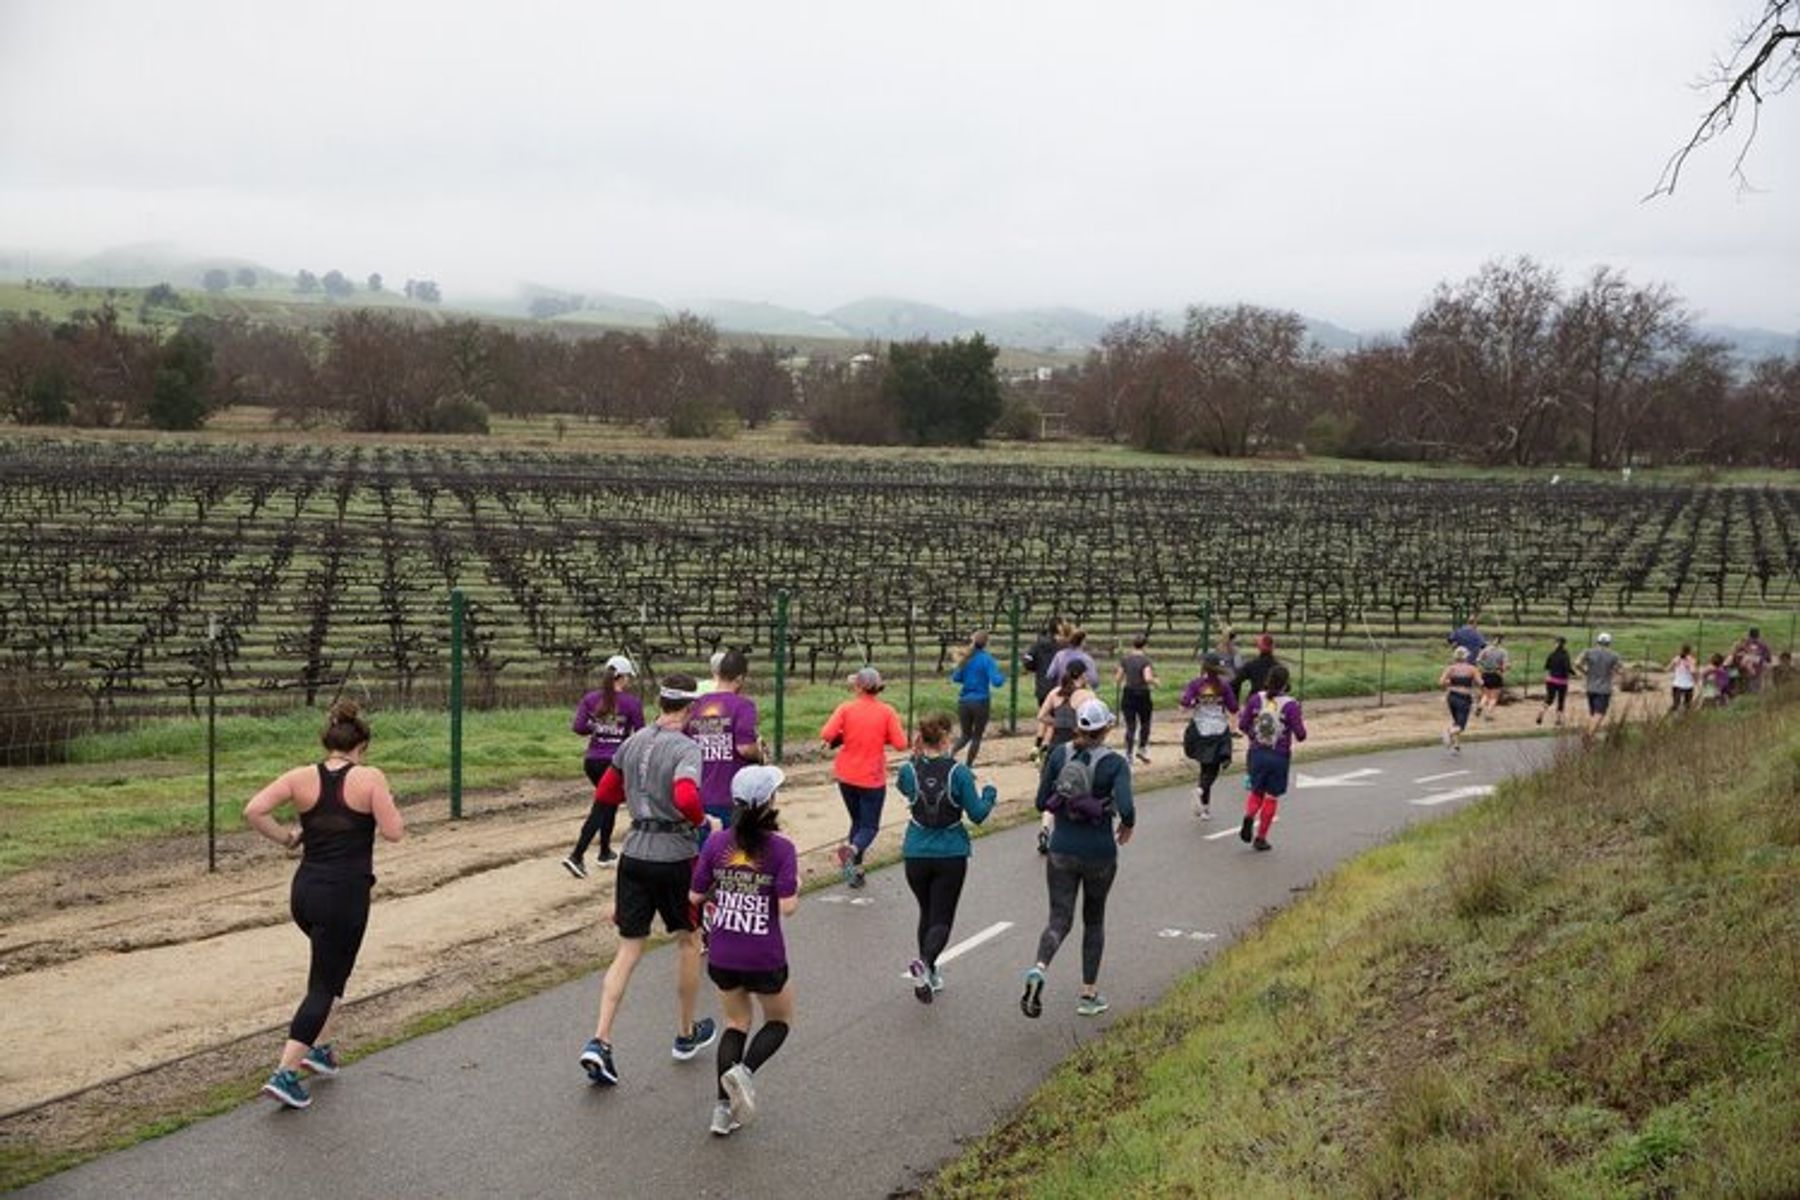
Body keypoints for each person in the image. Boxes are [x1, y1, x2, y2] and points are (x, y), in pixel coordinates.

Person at [244, 701, 405, 1109]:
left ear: (327, 741)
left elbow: (255, 809)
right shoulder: (370, 778)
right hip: (345, 894)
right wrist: (383, 798)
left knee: (334, 971)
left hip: (306, 890)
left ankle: (320, 1048)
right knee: (323, 985)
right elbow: (394, 832)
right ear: (362, 744)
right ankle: (285, 1072)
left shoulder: (299, 776)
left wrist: (287, 838)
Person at [579, 674, 718, 1088]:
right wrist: (701, 820)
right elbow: (687, 796)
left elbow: (605, 793)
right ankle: (685, 1031)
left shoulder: (633, 741)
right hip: (675, 854)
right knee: (689, 940)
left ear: (661, 702)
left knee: (628, 949)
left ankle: (600, 1038)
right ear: (690, 708)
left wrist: (641, 797)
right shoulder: (687, 747)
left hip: (635, 850)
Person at [689, 765, 798, 1137]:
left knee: (735, 1024)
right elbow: (788, 906)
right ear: (769, 801)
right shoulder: (782, 848)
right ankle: (745, 1072)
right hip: (764, 954)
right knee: (779, 1022)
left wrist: (727, 890)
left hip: (722, 951)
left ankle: (722, 1112)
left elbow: (694, 894)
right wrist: (792, 882)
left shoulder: (717, 843)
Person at [1020, 699, 1135, 1020]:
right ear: (1107, 728)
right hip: (1099, 852)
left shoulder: (1059, 755)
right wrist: (1127, 824)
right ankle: (1088, 994)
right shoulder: (1114, 763)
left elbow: (1042, 801)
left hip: (1061, 849)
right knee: (1094, 920)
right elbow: (1126, 807)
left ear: (1078, 727)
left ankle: (1039, 968)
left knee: (1059, 918)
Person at [897, 713, 997, 1003]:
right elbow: (977, 815)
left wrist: (916, 758)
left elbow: (904, 789)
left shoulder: (908, 770)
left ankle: (930, 972)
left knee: (926, 912)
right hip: (950, 853)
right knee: (942, 918)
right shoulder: (960, 773)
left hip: (915, 852)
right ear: (945, 739)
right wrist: (990, 793)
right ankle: (925, 965)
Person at [820, 667, 908, 889]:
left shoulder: (846, 708)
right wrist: (882, 735)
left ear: (858, 686)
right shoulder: (887, 712)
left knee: (857, 822)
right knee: (869, 827)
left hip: (846, 774)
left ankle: (854, 873)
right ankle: (852, 852)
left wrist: (846, 734)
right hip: (871, 776)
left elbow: (827, 734)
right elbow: (901, 744)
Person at [564, 655, 645, 877]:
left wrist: (598, 727)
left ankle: (605, 851)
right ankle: (577, 855)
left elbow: (579, 727)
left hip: (592, 761)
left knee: (607, 803)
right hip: (615, 763)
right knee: (601, 807)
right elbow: (641, 734)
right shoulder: (632, 703)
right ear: (622, 677)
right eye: (628, 677)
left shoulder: (591, 699)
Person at [686, 649, 763, 835]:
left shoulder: (695, 705)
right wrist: (760, 753)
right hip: (731, 795)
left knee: (704, 854)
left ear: (718, 674)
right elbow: (744, 748)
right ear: (740, 679)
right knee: (731, 854)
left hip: (698, 795)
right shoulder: (743, 706)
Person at [1237, 664, 1306, 852]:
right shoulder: (1291, 705)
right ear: (1286, 683)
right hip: (1279, 756)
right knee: (1271, 796)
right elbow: (1301, 734)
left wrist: (1254, 735)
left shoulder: (1255, 699)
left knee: (1256, 790)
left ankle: (1250, 815)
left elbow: (1242, 725)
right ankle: (1261, 837)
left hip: (1256, 753)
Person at [1034, 664, 1098, 854]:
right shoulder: (1087, 697)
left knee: (1052, 790)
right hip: (1076, 746)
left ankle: (1045, 828)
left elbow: (1041, 716)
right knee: (1081, 787)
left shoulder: (1055, 693)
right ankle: (1076, 831)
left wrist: (1058, 722)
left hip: (1056, 746)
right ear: (1083, 675)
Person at [1178, 651, 1238, 820]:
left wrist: (1195, 703)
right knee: (1214, 768)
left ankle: (1204, 808)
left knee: (1205, 768)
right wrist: (1233, 730)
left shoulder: (1196, 684)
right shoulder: (1224, 686)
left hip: (1200, 730)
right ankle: (1201, 791)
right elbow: (1233, 708)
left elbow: (1183, 707)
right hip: (1218, 730)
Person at [949, 631, 1005, 768]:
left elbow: (956, 677)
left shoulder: (967, 658)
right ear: (986, 644)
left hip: (964, 701)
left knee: (965, 735)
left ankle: (949, 755)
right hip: (981, 701)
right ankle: (968, 765)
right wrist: (1003, 677)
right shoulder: (987, 659)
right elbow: (996, 681)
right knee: (977, 736)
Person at [1575, 632, 1623, 745]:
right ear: (1609, 643)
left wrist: (1585, 671)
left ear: (1597, 641)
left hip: (1590, 687)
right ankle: (1588, 736)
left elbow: (1577, 663)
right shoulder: (1614, 655)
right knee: (1600, 713)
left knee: (1593, 714)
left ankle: (1590, 737)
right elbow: (1620, 670)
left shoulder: (1588, 652)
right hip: (1604, 689)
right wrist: (1613, 673)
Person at [1115, 635, 1156, 764]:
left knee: (1130, 726)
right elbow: (1147, 677)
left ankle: (1128, 753)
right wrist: (1156, 681)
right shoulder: (1145, 661)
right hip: (1142, 694)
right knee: (1145, 723)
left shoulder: (1125, 659)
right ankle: (1142, 748)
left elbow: (1118, 678)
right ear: (1145, 646)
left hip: (1128, 693)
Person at [1440, 647, 1481, 754]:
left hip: (1452, 696)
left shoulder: (1451, 668)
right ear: (1466, 656)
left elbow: (1441, 682)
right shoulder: (1472, 669)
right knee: (1461, 726)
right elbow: (1480, 682)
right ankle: (1448, 732)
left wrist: (1453, 682)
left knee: (1456, 721)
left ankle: (1456, 746)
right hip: (1464, 698)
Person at [1021, 619, 1064, 708]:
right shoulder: (1062, 646)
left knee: (1044, 716)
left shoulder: (1037, 645)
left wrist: (1035, 667)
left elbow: (1027, 660)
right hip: (1060, 688)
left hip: (1042, 688)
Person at [1234, 633, 1280, 706]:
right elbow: (1287, 687)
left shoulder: (1251, 665)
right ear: (1273, 647)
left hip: (1255, 702)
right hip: (1274, 703)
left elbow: (1235, 683)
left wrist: (1235, 703)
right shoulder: (1279, 667)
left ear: (1259, 647)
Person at [1537, 636, 1572, 727]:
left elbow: (1547, 667)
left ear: (1556, 643)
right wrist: (1573, 673)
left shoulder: (1551, 654)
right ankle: (1558, 720)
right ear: (1564, 644)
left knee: (1549, 698)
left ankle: (1541, 712)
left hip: (1551, 680)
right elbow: (1567, 668)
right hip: (1562, 681)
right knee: (1561, 700)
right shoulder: (1566, 655)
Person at [1475, 633, 1508, 720]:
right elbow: (1505, 666)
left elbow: (1478, 660)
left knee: (1485, 694)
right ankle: (1488, 714)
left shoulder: (1485, 650)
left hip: (1485, 674)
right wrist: (1503, 670)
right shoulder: (1503, 652)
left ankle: (1480, 706)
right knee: (1494, 697)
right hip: (1496, 674)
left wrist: (1481, 669)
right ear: (1501, 642)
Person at [1739, 627, 1773, 695]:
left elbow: (1738, 655)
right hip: (1758, 670)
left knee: (1748, 689)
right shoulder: (1763, 645)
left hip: (1745, 671)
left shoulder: (1744, 644)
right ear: (1758, 635)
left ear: (1749, 635)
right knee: (1757, 689)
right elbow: (1769, 659)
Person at [1667, 643, 1698, 712]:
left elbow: (1668, 668)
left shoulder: (1676, 658)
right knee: (1687, 705)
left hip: (1677, 684)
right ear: (1690, 651)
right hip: (1688, 685)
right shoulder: (1692, 660)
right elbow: (1693, 671)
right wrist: (1696, 679)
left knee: (1675, 704)